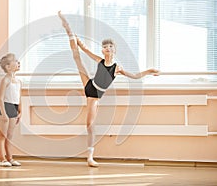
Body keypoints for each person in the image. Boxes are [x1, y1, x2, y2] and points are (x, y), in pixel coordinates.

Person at [58, 11, 159, 167]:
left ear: (114, 50)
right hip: (90, 86)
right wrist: (76, 40)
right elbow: (84, 50)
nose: (107, 48)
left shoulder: (117, 68)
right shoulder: (99, 60)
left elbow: (135, 76)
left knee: (90, 126)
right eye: (105, 47)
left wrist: (150, 71)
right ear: (102, 50)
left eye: (110, 46)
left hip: (96, 95)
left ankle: (90, 156)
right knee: (77, 56)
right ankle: (68, 29)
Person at [0, 53, 22, 167]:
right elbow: (0, 98)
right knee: (3, 135)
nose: (18, 62)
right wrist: (4, 113)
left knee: (10, 136)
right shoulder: (5, 80)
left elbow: (19, 97)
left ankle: (10, 158)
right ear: (8, 66)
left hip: (14, 108)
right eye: (15, 61)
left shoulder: (18, 81)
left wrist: (20, 111)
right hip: (5, 108)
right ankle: (2, 159)